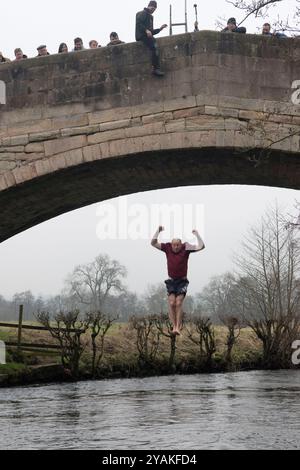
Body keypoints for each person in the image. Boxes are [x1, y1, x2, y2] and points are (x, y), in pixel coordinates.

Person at [151, 226, 205, 335]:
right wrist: (158, 231)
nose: (176, 247)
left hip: (182, 281)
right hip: (171, 281)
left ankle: (177, 327)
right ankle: (173, 326)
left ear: (181, 244)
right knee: (171, 303)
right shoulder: (167, 248)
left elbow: (201, 246)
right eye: (174, 245)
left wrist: (197, 234)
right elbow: (153, 243)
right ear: (171, 245)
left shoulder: (186, 248)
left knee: (178, 302)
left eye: (178, 245)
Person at [135, 1, 168, 77]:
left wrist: (160, 29)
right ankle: (155, 69)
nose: (153, 10)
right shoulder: (143, 13)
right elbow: (139, 23)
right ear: (149, 6)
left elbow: (151, 32)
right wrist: (146, 30)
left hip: (146, 35)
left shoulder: (150, 17)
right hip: (141, 35)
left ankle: (156, 68)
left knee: (154, 44)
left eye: (155, 9)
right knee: (154, 45)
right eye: (153, 8)